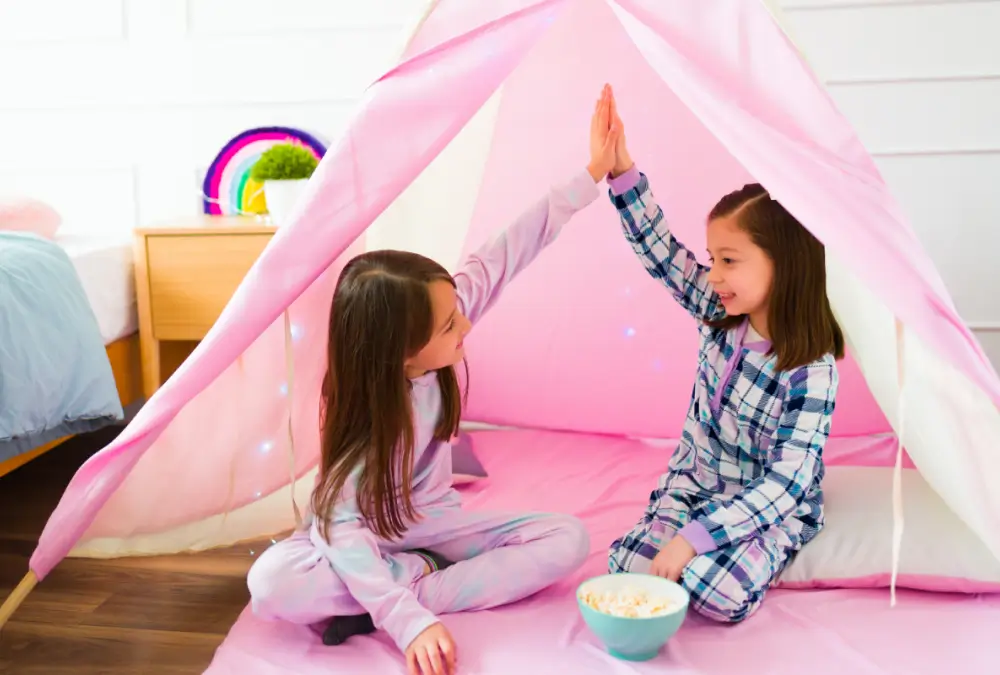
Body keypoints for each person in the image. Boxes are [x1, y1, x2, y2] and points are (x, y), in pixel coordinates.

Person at [247, 96, 625, 675]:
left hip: (432, 525)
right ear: (400, 354)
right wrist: (409, 622)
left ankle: (399, 588)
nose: (466, 324)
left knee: (567, 539)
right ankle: (404, 590)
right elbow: (340, 524)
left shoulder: (435, 321)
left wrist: (592, 173)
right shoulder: (366, 417)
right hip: (358, 533)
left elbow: (506, 252)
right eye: (450, 325)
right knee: (272, 584)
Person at [595, 84, 844, 623]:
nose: (714, 275)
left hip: (762, 508)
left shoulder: (811, 370)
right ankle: (682, 542)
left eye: (729, 260)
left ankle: (734, 554)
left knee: (717, 593)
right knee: (626, 570)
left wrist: (696, 540)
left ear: (785, 263)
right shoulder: (720, 311)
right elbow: (661, 251)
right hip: (695, 481)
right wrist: (621, 172)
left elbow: (788, 482)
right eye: (713, 259)